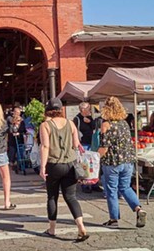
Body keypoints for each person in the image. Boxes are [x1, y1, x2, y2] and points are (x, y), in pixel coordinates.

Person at [39, 98, 89, 242]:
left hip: (54, 164)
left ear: (48, 110)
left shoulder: (45, 125)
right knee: (71, 197)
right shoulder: (71, 123)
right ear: (61, 110)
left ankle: (52, 229)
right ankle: (81, 226)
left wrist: (42, 166)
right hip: (70, 164)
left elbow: (45, 147)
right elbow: (76, 144)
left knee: (52, 197)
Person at [98, 96, 147, 228]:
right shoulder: (124, 123)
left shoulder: (106, 125)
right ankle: (138, 209)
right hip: (127, 161)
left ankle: (114, 219)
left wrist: (95, 157)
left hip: (112, 162)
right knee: (125, 187)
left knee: (111, 190)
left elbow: (104, 147)